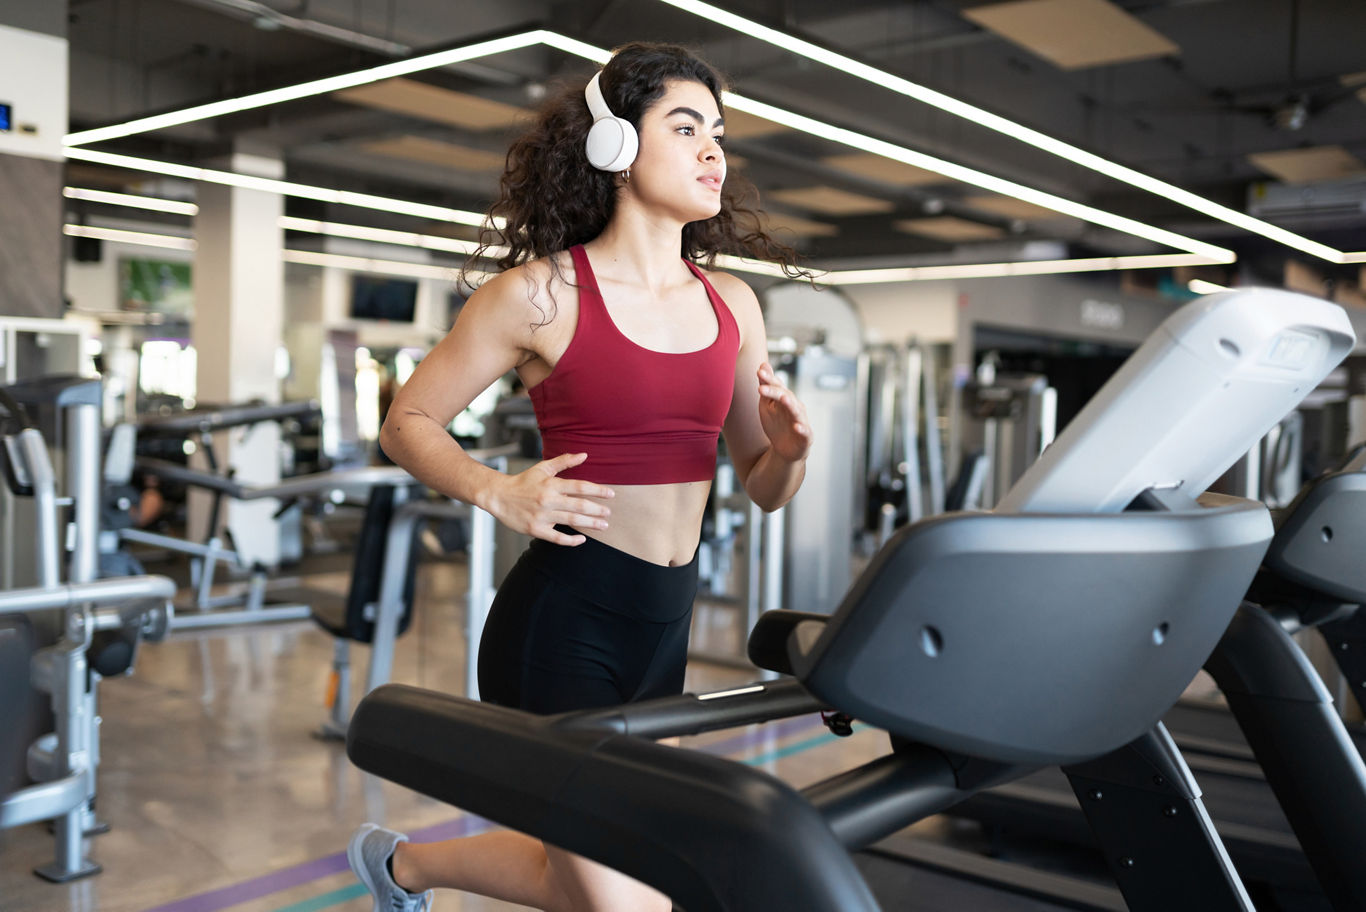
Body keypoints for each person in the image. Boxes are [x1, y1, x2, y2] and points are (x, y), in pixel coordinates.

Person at [347, 41, 813, 912]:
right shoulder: (540, 296)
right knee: (632, 900)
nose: (715, 150)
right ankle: (401, 869)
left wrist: (787, 455)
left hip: (662, 631)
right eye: (686, 128)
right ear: (616, 146)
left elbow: (759, 480)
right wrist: (495, 488)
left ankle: (401, 866)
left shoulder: (733, 304)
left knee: (600, 877)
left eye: (719, 132)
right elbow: (405, 423)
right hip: (563, 628)